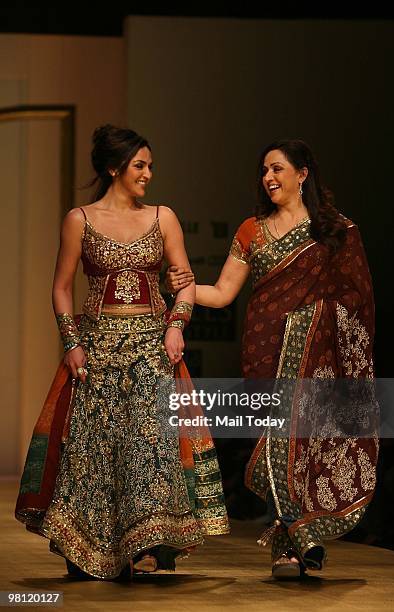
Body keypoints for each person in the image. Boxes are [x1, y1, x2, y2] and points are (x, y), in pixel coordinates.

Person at [15, 125, 229, 580]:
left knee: (149, 448)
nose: (148, 174)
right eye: (139, 165)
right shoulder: (80, 219)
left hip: (153, 348)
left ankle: (147, 543)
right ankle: (87, 549)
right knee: (95, 450)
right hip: (97, 350)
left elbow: (185, 281)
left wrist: (176, 326)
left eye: (150, 165)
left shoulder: (163, 217)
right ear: (114, 168)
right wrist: (71, 342)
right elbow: (60, 287)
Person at [167, 139, 378, 579]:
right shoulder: (252, 230)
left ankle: (293, 543)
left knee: (305, 447)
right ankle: (296, 540)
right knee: (274, 449)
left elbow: (356, 299)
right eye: (265, 171)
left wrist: (317, 321)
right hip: (266, 351)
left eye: (278, 169)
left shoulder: (335, 231)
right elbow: (224, 294)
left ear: (303, 175)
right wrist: (183, 287)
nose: (269, 178)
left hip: (319, 356)